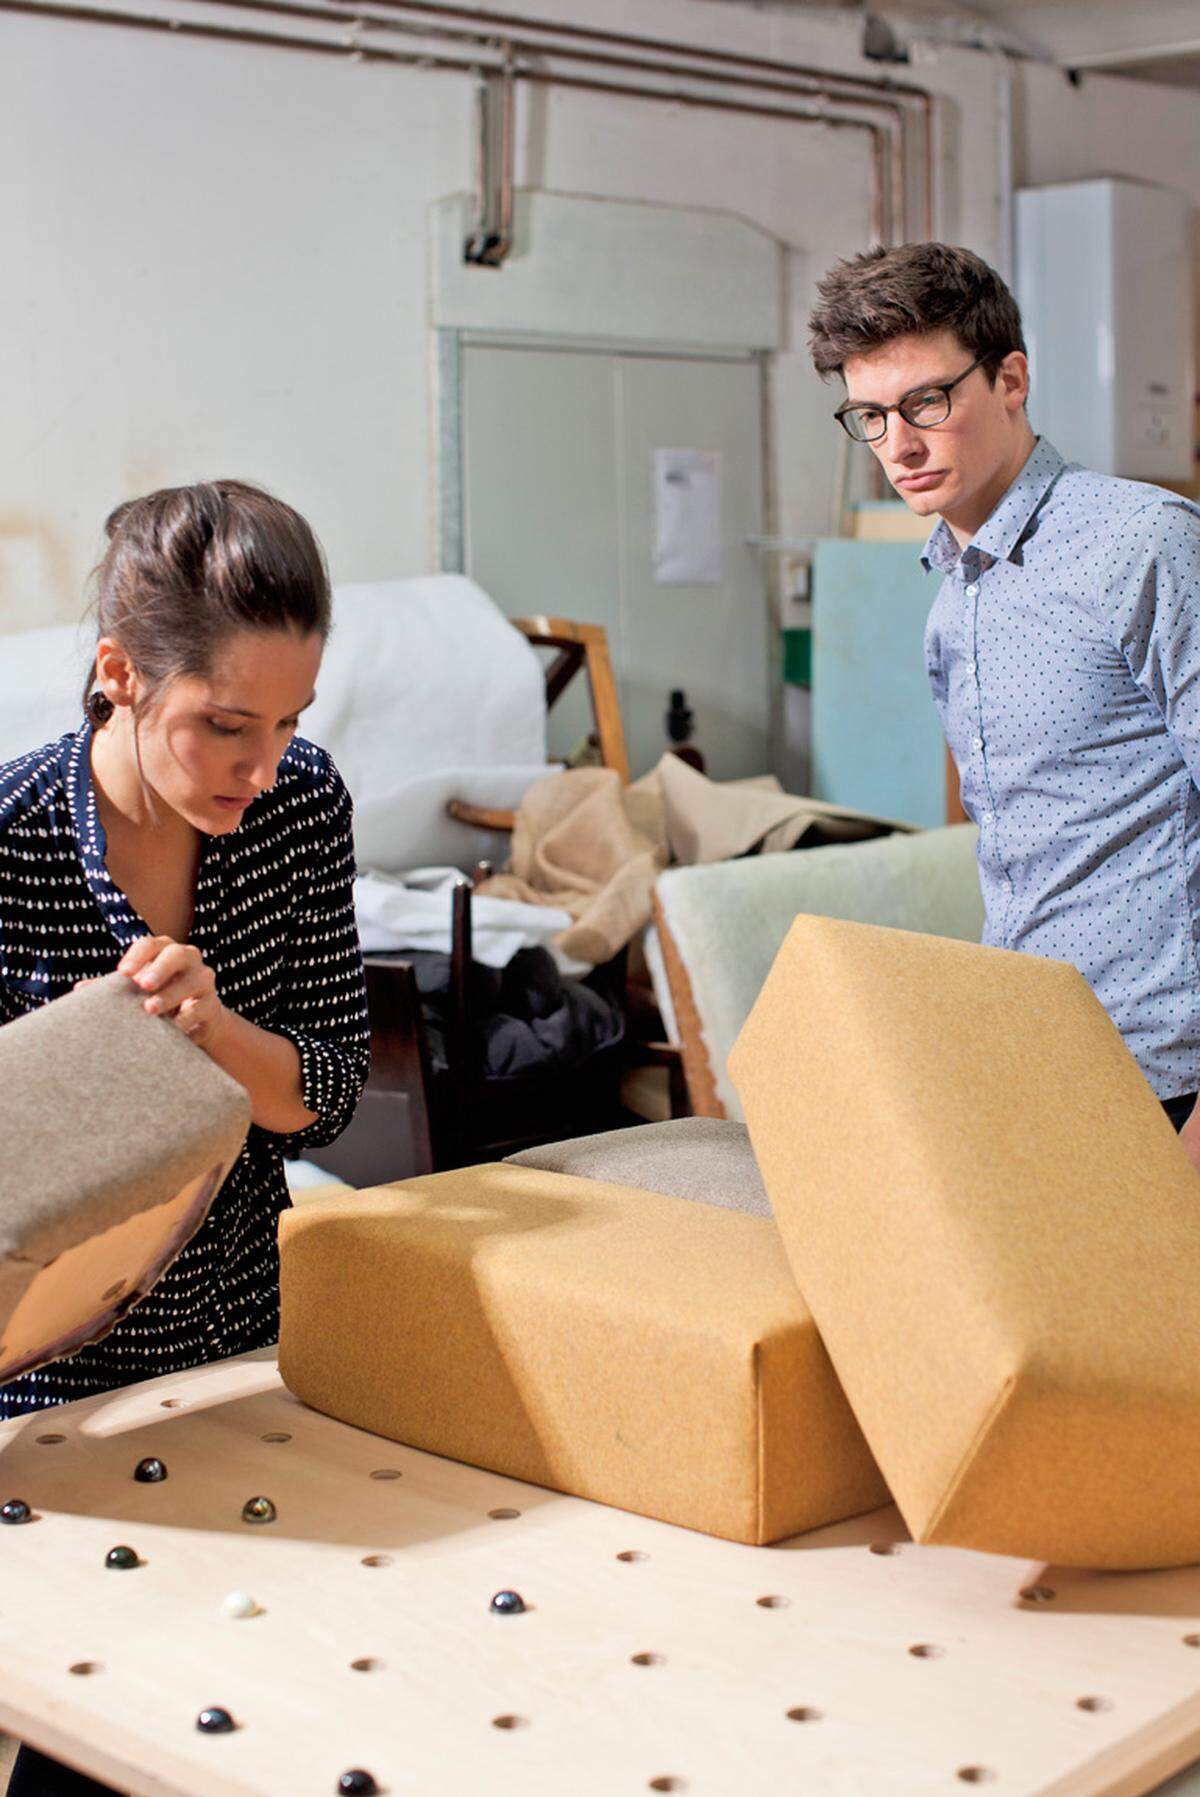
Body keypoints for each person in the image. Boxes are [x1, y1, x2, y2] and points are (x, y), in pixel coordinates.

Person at [0, 480, 370, 1796]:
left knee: (270, 1722)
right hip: (41, 1398)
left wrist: (214, 1032)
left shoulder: (301, 806)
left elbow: (326, 1088)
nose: (261, 768)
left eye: (287, 724)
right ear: (120, 674)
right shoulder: (9, 844)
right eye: (225, 726)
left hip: (241, 1348)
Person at [807, 242, 1200, 1158]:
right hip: (1040, 1061)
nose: (896, 447)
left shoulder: (1143, 545)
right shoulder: (954, 601)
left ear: (1011, 378)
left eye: (926, 403)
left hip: (1171, 1077)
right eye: (868, 415)